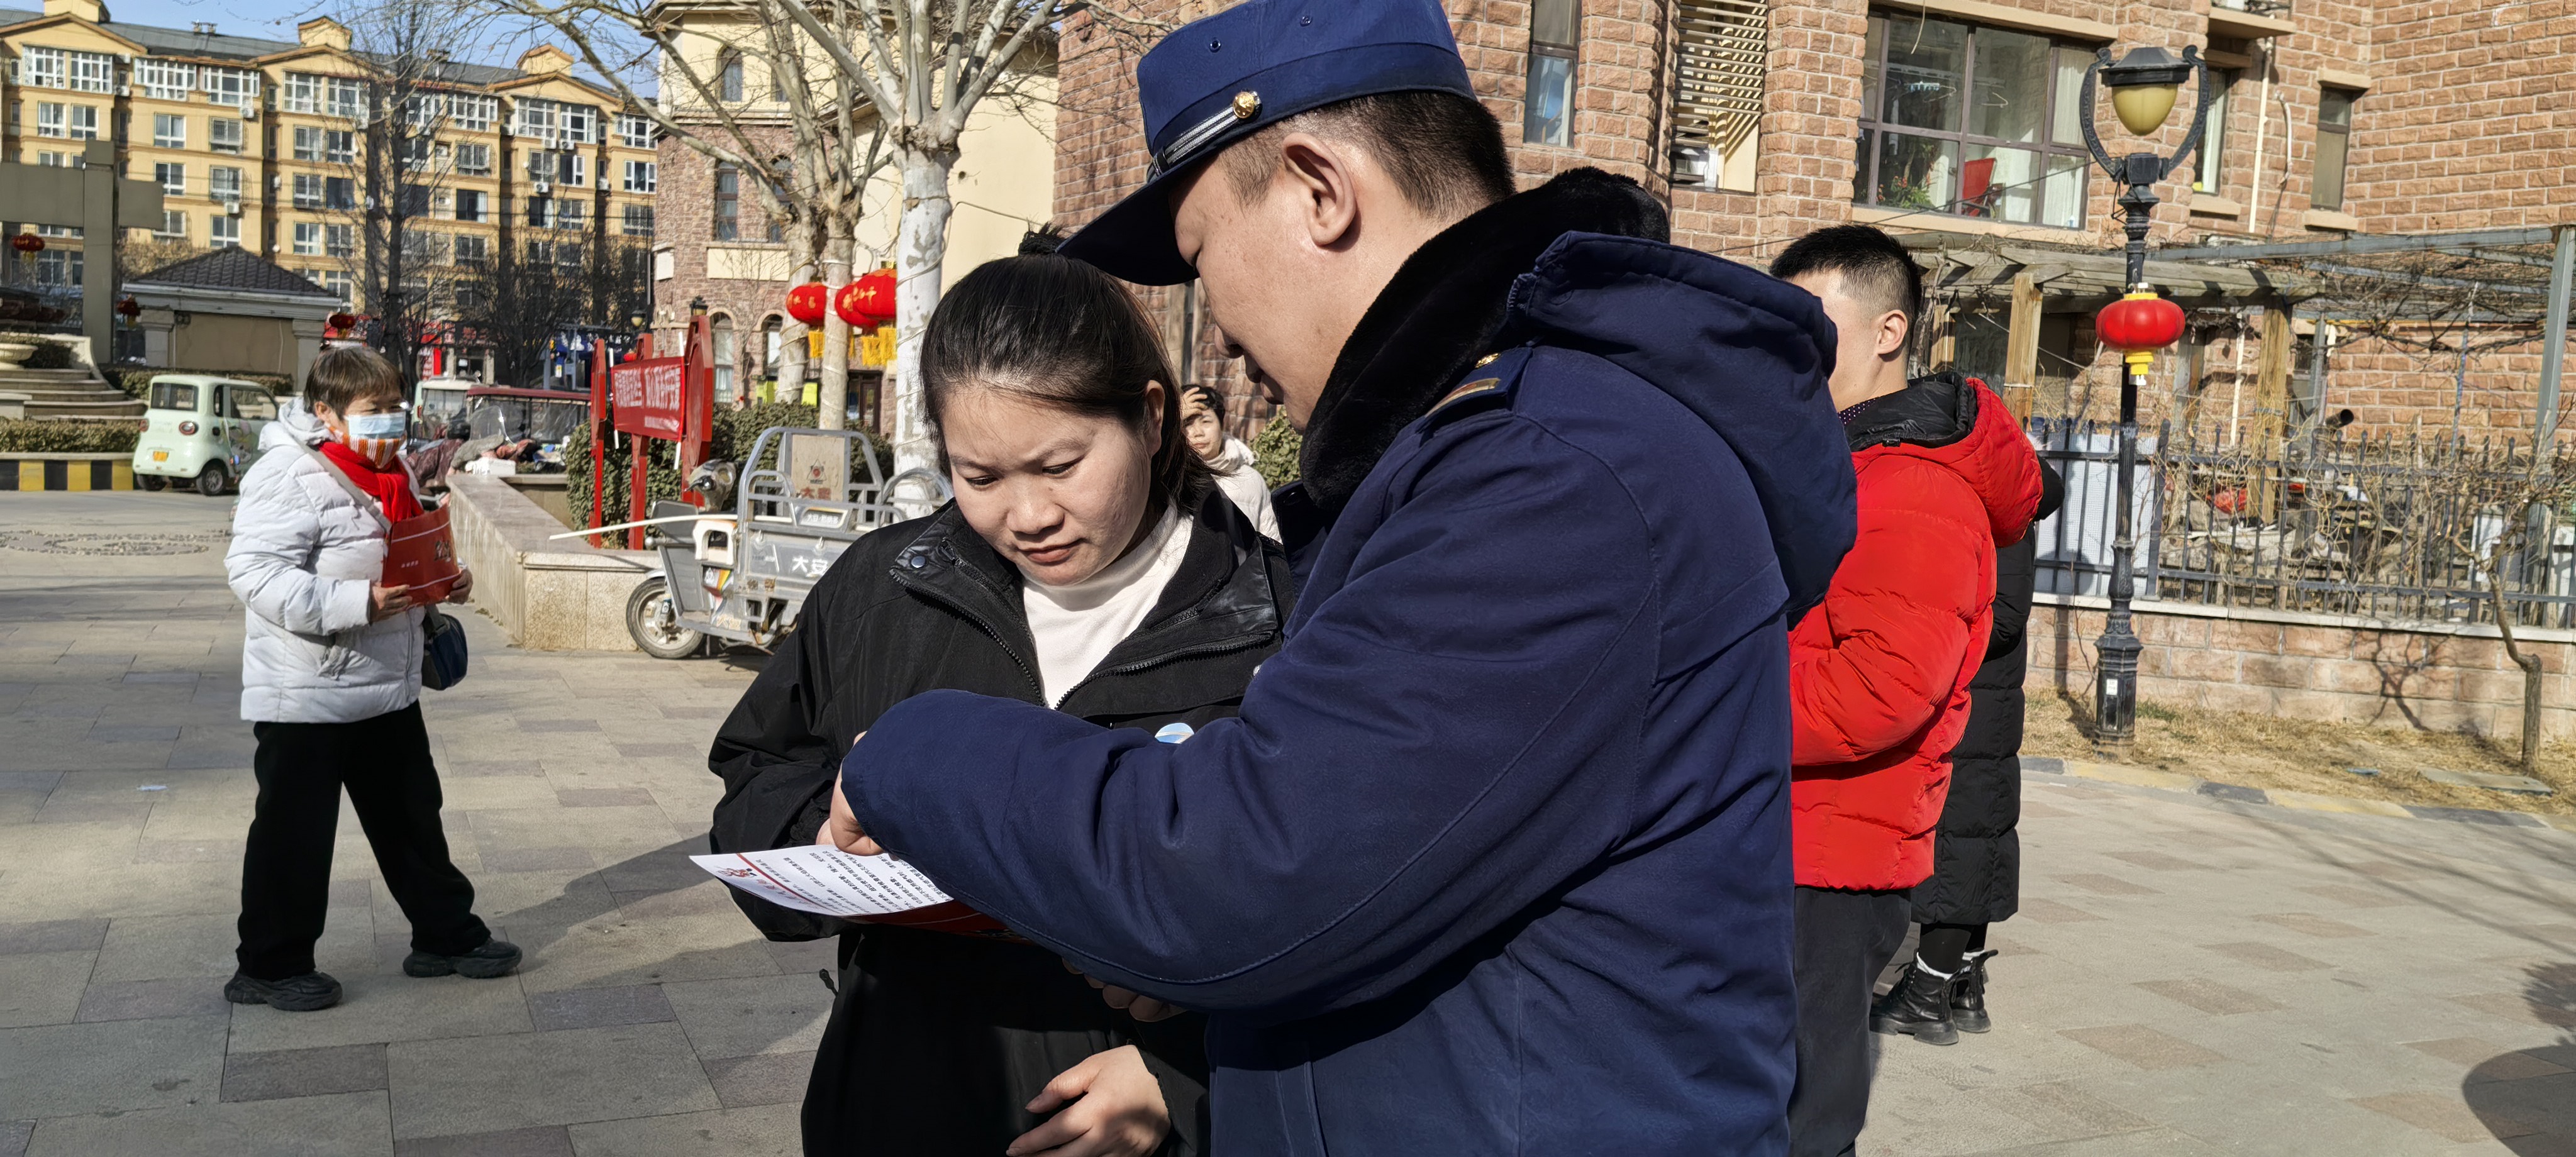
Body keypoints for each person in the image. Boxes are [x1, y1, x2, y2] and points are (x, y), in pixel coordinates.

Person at [812, 4, 1859, 1153]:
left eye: (1203, 258)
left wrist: (913, 751)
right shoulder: (1493, 450)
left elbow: (1242, 874)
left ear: (1320, 190)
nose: (1217, 323)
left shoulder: (1551, 477)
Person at [706, 241, 1292, 1157]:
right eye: (979, 478)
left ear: (1150, 419)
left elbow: (1352, 916)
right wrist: (826, 837)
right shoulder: (886, 586)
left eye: (1060, 466)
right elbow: (756, 775)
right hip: (898, 1099)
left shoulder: (1284, 619)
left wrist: (1185, 1076)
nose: (1027, 517)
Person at [1768, 224, 2041, 1154]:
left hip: (1831, 849)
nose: (1791, 349)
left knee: (1803, 1101)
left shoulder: (1915, 489)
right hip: (1792, 829)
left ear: (1890, 331)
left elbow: (1877, 692)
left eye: (1811, 325)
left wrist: (1705, 694)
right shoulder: (1846, 461)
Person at [224, 346, 517, 1012]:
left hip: (387, 681)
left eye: (394, 406)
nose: (389, 420)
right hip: (308, 690)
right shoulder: (289, 473)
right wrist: (353, 603)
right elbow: (255, 574)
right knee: (295, 835)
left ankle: (446, 936)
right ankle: (270, 966)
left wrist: (447, 579)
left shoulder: (395, 471)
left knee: (413, 818)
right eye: (372, 408)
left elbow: (404, 550)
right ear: (326, 413)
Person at [1881, 460, 2063, 1039]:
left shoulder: (2003, 505)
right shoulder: (2000, 499)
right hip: (1982, 697)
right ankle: (1962, 986)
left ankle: (1927, 991)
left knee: (1962, 839)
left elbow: (2003, 617)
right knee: (1973, 836)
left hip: (1976, 698)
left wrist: (1928, 617)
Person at [1178, 385, 1278, 540]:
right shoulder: (1170, 478)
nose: (1198, 432)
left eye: (1206, 422)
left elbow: (1272, 540)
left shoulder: (1251, 479)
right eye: (1187, 424)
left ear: (1222, 426)